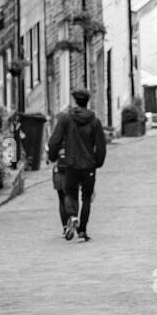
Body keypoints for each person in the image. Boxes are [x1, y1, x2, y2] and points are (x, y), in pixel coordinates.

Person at [47, 88, 106, 242]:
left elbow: (54, 140)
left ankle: (73, 216)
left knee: (69, 194)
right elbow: (100, 145)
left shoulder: (66, 119)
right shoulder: (94, 121)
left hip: (71, 164)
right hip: (88, 166)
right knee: (86, 198)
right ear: (87, 102)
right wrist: (98, 162)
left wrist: (52, 156)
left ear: (75, 101)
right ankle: (82, 230)